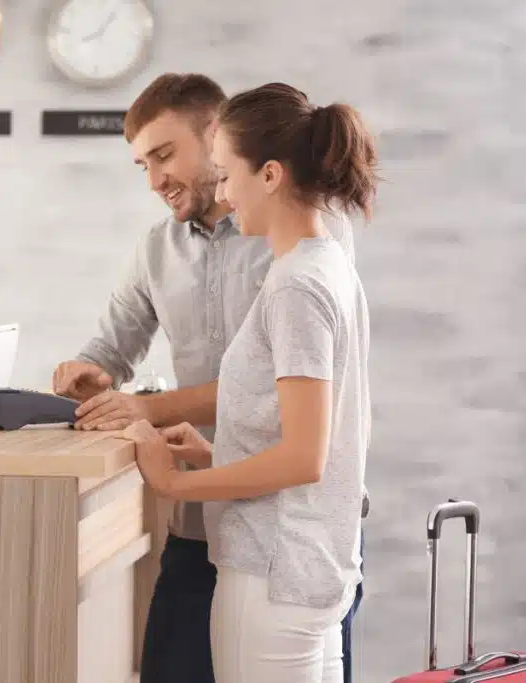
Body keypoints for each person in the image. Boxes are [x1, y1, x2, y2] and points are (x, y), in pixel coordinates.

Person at [51, 74, 361, 683]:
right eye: (142, 164)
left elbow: (285, 410)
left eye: (164, 155)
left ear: (217, 137)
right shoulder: (160, 249)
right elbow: (113, 348)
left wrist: (158, 434)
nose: (153, 179)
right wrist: (90, 373)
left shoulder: (298, 250)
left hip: (284, 532)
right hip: (215, 519)